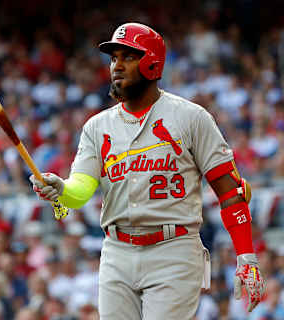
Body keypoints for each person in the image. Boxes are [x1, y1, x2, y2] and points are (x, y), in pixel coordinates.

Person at [29, 22, 265, 319]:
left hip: (173, 250)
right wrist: (61, 189)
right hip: (116, 251)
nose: (117, 65)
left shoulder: (191, 118)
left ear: (152, 63)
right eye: (114, 58)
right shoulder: (97, 127)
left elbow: (231, 191)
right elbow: (80, 191)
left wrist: (246, 256)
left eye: (128, 56)